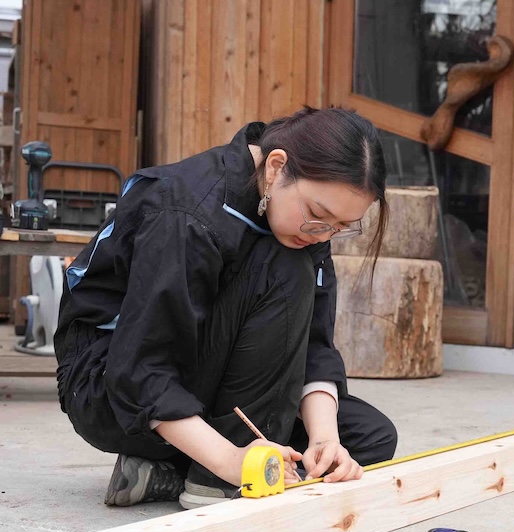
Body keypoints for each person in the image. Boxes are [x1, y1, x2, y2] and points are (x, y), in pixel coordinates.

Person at [55, 107, 398, 508]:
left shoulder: (303, 222)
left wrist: (325, 439)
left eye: (341, 227)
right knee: (285, 269)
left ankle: (167, 472)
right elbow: (143, 366)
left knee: (370, 438)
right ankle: (215, 478)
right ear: (275, 167)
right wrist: (231, 460)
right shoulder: (188, 210)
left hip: (206, 378)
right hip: (111, 387)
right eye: (319, 216)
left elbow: (314, 345)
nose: (323, 234)